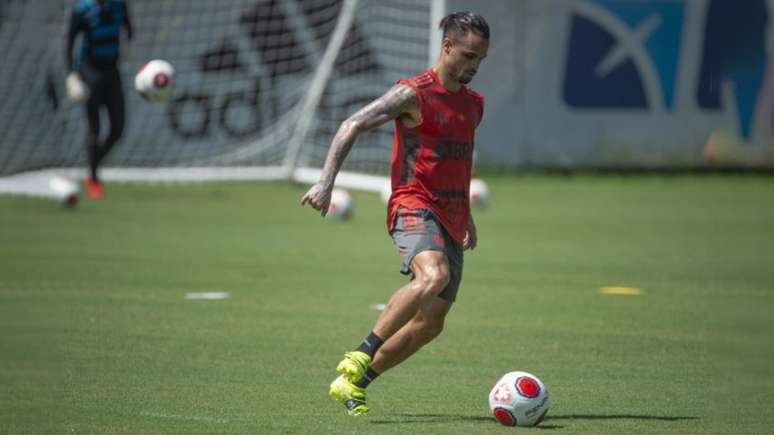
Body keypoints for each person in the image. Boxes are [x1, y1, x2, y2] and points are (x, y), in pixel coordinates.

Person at [301, 11, 489, 415]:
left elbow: (461, 156)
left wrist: (466, 214)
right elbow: (352, 123)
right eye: (469, 55)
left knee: (431, 323)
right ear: (447, 46)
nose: (474, 66)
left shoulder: (474, 104)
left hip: (452, 217)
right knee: (433, 275)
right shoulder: (413, 94)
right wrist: (326, 182)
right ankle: (361, 352)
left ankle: (353, 383)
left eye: (480, 60)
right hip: (413, 203)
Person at [65, 0, 133, 199]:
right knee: (94, 128)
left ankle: (93, 165)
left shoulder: (119, 5)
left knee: (118, 129)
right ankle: (93, 177)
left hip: (112, 72)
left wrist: (128, 49)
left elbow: (129, 30)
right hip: (90, 72)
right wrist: (71, 75)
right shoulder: (82, 10)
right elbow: (69, 42)